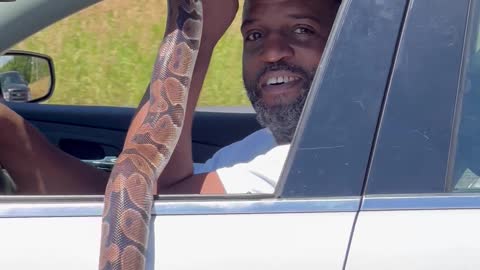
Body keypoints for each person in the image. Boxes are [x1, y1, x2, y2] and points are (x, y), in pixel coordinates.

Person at [0, 0, 340, 195]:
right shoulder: (259, 147)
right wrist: (14, 140)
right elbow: (124, 200)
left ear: (352, 43)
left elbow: (146, 207)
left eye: (302, 30)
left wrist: (193, 30)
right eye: (254, 34)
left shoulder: (323, 158)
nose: (271, 52)